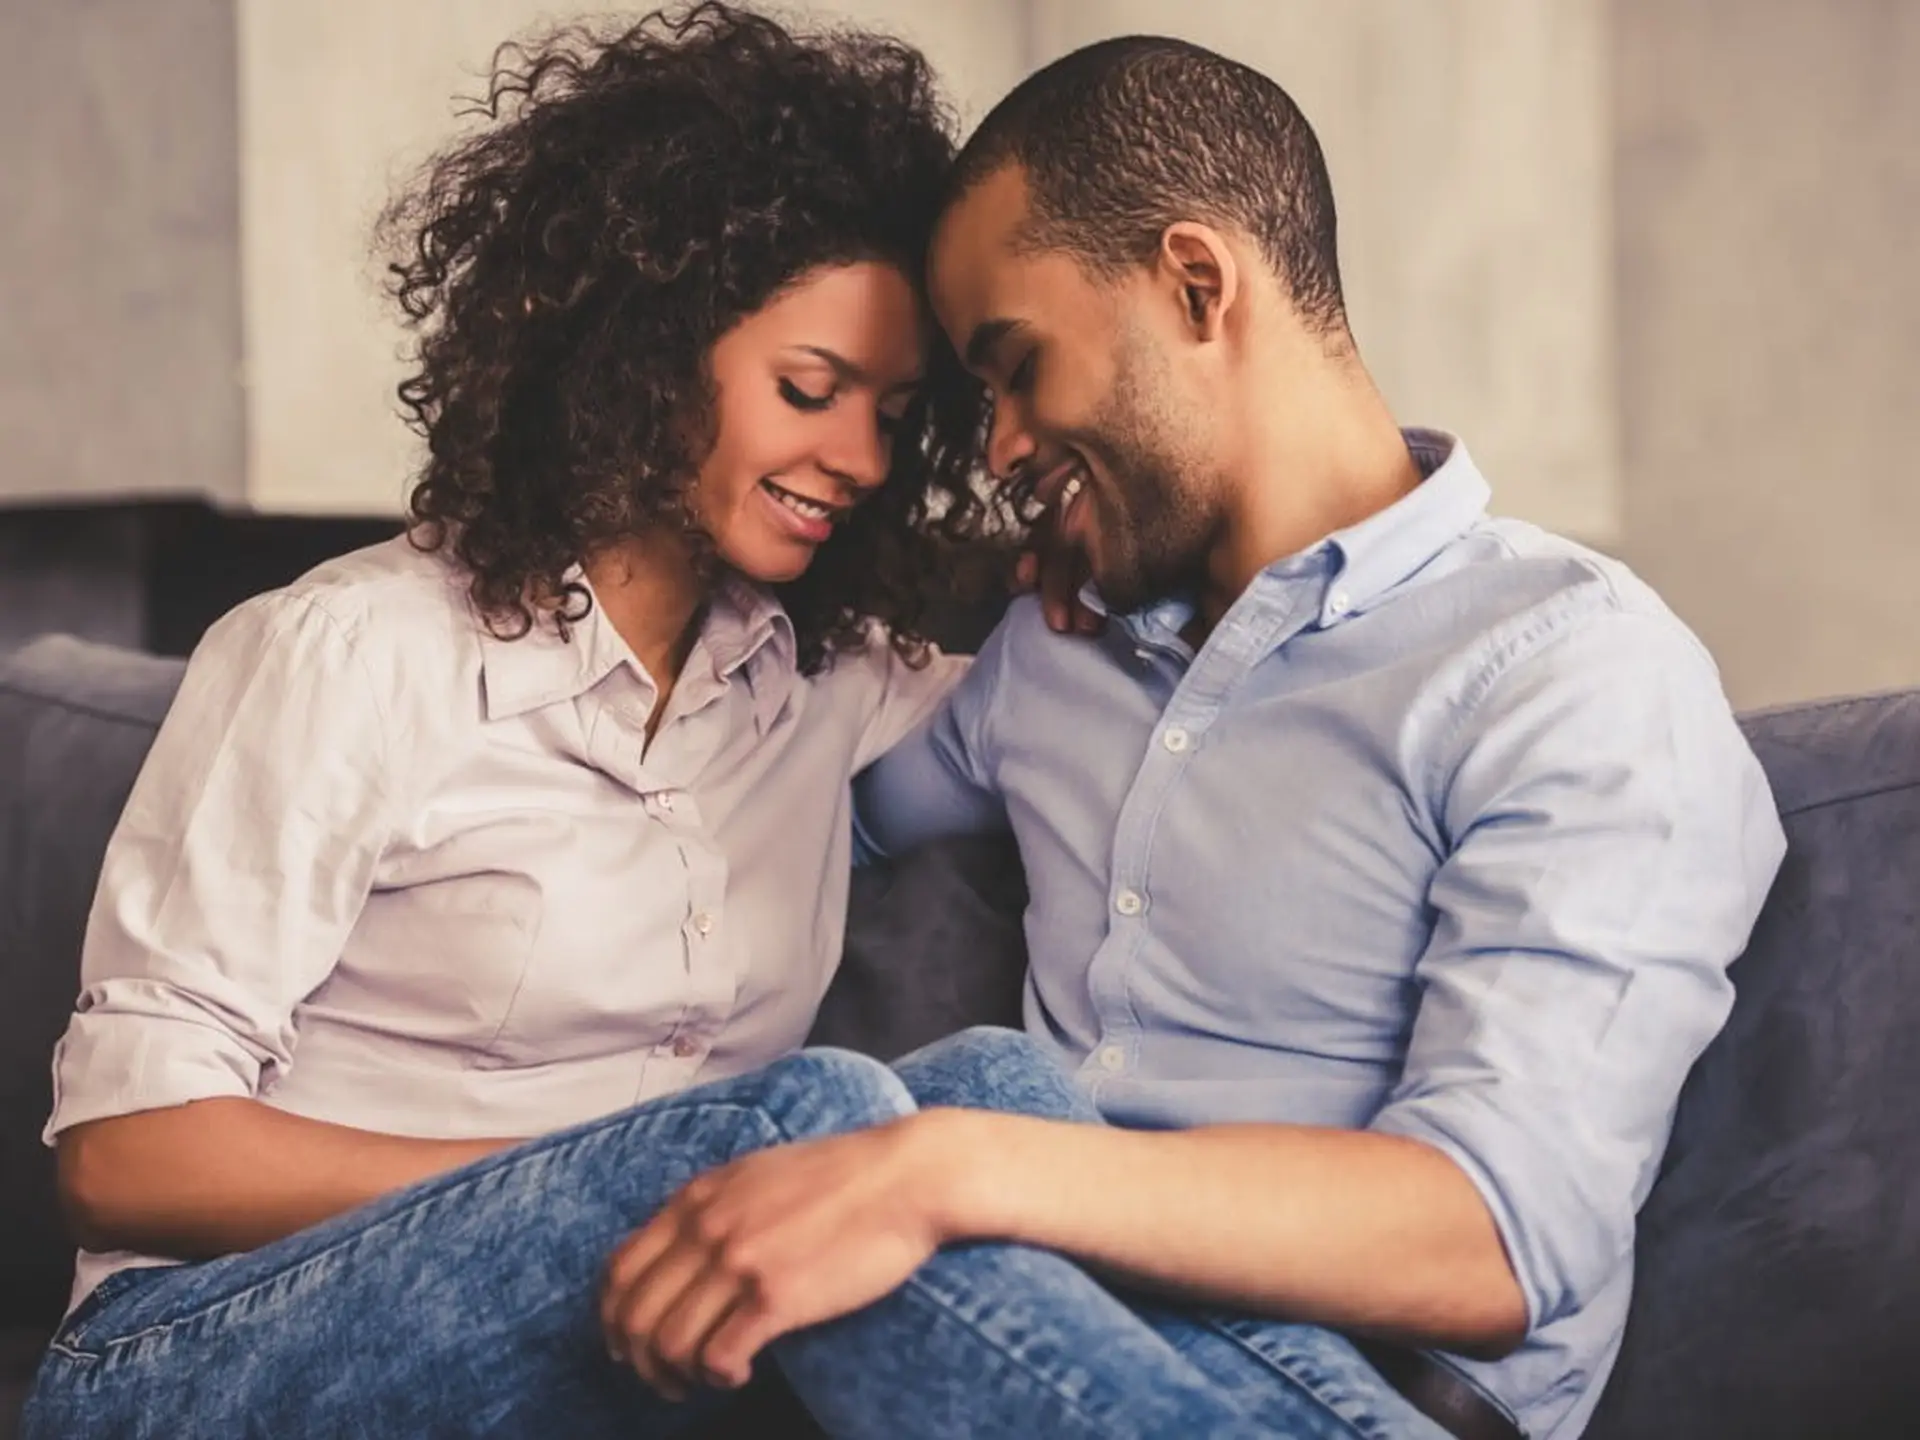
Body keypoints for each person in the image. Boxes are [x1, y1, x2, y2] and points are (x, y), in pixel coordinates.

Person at [578, 35, 1791, 1440]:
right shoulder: (1053, 655)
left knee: (907, 1131)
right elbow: (760, 809)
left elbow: (1495, 1237)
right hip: (1000, 1321)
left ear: (1197, 285)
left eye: (1016, 370)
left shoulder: (1568, 668)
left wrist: (942, 1171)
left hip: (1352, 1392)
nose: (999, 449)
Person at [21, 6, 1001, 1436]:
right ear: (650, 346)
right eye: (809, 389)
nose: (855, 457)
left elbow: (1115, 696)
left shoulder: (819, 682)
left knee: (990, 1096)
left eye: (893, 414)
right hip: (194, 1354)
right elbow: (126, 1154)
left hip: (594, 1356)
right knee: (797, 1138)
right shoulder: (352, 654)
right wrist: (580, 1187)